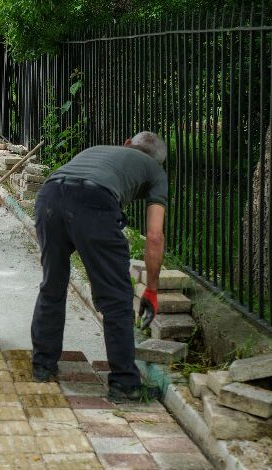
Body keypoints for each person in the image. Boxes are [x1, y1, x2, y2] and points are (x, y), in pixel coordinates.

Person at [30, 131, 168, 403]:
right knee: (115, 298)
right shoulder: (156, 171)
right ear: (159, 162)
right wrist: (151, 289)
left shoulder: (98, 149)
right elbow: (154, 236)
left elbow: (70, 186)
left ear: (128, 142)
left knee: (52, 284)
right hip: (94, 203)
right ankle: (125, 385)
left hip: (49, 196)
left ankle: (43, 365)